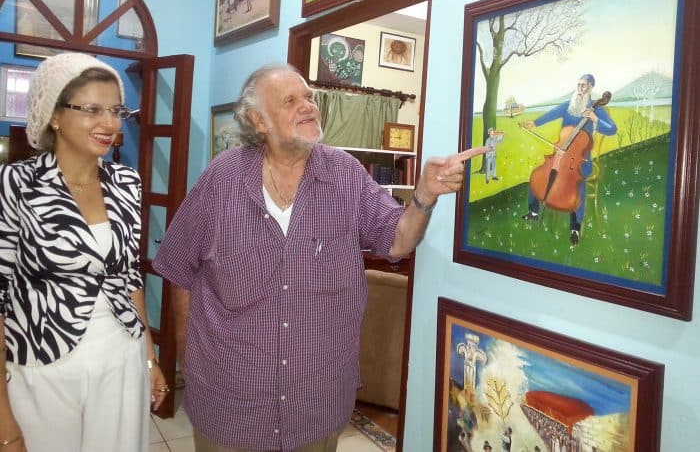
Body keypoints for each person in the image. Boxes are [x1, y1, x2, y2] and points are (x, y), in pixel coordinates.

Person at [153, 64, 490, 452]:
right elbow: (180, 269)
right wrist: (190, 366)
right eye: (291, 100)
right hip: (230, 402)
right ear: (256, 120)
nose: (308, 107)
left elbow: (397, 241)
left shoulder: (346, 174)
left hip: (316, 404)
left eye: (309, 97)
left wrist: (424, 196)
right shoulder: (221, 179)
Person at [0, 53, 167, 452]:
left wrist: (150, 358)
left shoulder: (126, 182)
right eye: (92, 109)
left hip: (120, 354)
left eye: (115, 110)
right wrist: (4, 420)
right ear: (55, 115)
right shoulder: (15, 184)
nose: (109, 123)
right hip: (42, 360)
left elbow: (128, 277)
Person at [520, 73, 617, 245]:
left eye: (584, 86)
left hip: (579, 161)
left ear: (590, 88)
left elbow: (612, 129)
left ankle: (575, 228)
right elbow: (550, 114)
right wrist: (534, 123)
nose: (580, 89)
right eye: (579, 85)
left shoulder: (596, 110)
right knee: (538, 175)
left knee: (577, 187)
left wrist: (595, 119)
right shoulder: (568, 106)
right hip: (559, 156)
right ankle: (533, 212)